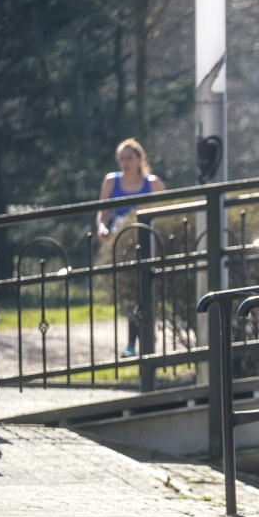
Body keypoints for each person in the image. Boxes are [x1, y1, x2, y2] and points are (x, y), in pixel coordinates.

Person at [94, 138, 166, 357]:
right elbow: (103, 211)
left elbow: (166, 211)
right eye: (122, 158)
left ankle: (147, 332)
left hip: (146, 243)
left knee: (146, 289)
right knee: (129, 293)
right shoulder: (110, 182)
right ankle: (132, 343)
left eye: (130, 157)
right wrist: (101, 227)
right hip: (121, 244)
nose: (125, 162)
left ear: (139, 159)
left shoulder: (152, 184)